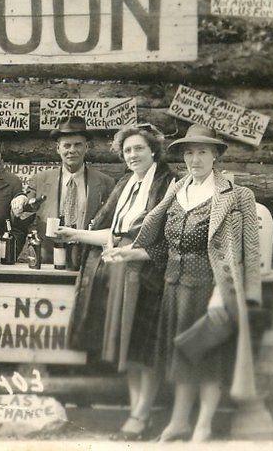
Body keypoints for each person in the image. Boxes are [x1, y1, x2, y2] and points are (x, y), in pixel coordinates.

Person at [102, 124, 262, 442]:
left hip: (211, 288)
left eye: (202, 152)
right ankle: (179, 421)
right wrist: (130, 254)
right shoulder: (178, 191)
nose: (195, 159)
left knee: (207, 358)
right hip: (173, 287)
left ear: (215, 155)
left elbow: (250, 252)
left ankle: (202, 424)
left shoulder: (238, 196)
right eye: (189, 152)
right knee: (179, 358)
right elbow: (164, 244)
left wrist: (229, 296)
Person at [58, 123, 176, 441]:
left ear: (153, 150)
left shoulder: (169, 184)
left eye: (139, 148)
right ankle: (139, 412)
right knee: (130, 348)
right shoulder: (127, 183)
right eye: (127, 150)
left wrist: (133, 253)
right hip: (124, 273)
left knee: (143, 348)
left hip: (149, 274)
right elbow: (113, 232)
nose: (133, 155)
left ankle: (141, 415)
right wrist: (76, 234)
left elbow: (167, 237)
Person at [10, 115, 115, 263]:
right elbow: (22, 215)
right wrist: (20, 204)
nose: (72, 150)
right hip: (48, 259)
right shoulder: (40, 180)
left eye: (77, 145)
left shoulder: (105, 183)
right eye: (67, 146)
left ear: (86, 147)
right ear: (58, 149)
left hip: (88, 259)